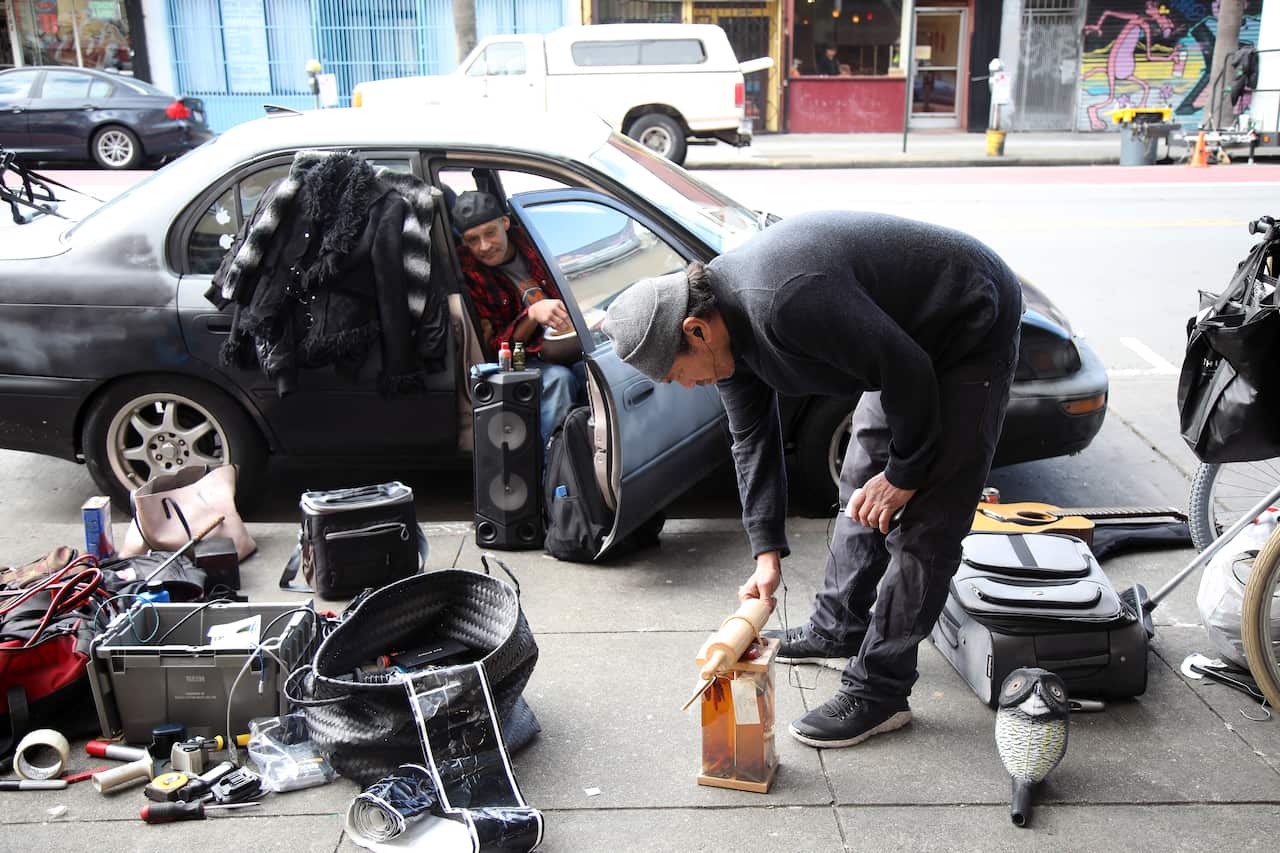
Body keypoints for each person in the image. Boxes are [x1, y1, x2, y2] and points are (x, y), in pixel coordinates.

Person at [601, 211, 1022, 749]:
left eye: (676, 374)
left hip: (965, 324)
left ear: (695, 331)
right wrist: (765, 554)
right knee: (858, 488)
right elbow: (751, 440)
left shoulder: (784, 302)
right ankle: (837, 627)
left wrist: (906, 474)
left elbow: (909, 370)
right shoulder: (725, 335)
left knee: (925, 525)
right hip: (900, 344)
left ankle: (880, 692)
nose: (685, 386)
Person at [453, 191, 585, 442]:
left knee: (592, 368)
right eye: (472, 240)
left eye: (490, 233)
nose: (484, 246)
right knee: (559, 380)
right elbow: (495, 349)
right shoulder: (469, 273)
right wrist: (532, 315)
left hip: (560, 341)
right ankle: (554, 465)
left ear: (504, 224)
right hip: (519, 358)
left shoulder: (532, 241)